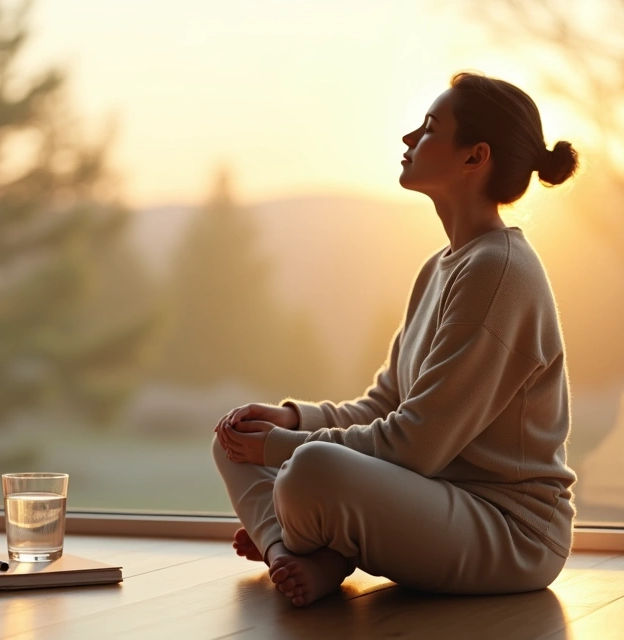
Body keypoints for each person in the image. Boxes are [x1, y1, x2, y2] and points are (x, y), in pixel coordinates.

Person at [211, 71, 580, 607]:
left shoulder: (498, 271)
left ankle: (296, 538)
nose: (409, 139)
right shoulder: (442, 267)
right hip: (434, 500)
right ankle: (296, 549)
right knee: (232, 441)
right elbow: (385, 404)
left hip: (510, 534)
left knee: (308, 471)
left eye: (429, 128)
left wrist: (281, 448)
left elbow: (414, 447)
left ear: (475, 158)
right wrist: (291, 421)